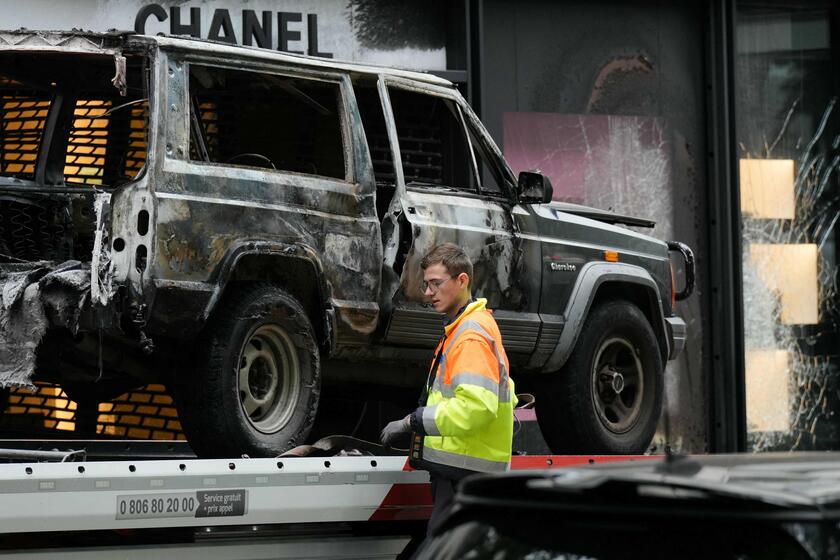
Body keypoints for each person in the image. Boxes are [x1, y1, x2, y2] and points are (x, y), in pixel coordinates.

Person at [380, 243, 517, 536]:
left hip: (464, 476)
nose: (428, 293)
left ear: (462, 280)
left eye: (436, 284)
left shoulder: (470, 337)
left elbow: (475, 409)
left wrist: (412, 421)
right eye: (426, 285)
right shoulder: (466, 328)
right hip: (464, 473)